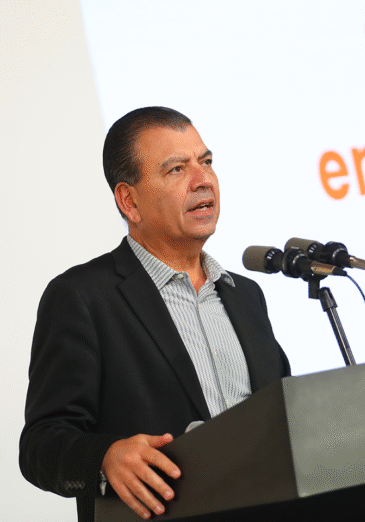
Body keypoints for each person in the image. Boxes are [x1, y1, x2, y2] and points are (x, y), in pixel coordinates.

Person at [19, 107, 290, 521]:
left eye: (206, 162)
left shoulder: (246, 296)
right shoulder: (82, 298)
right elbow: (41, 446)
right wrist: (105, 457)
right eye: (177, 169)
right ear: (129, 201)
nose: (203, 180)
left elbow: (284, 416)